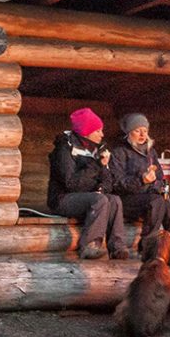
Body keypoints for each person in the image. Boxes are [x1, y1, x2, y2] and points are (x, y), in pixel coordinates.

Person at [47, 107, 127, 259]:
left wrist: (101, 187)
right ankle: (90, 245)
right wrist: (97, 165)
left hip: (88, 197)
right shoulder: (65, 149)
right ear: (86, 131)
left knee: (114, 200)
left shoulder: (97, 150)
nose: (102, 135)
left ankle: (117, 247)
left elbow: (108, 181)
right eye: (98, 131)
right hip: (62, 199)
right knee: (100, 200)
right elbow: (70, 183)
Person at [110, 113, 170, 259]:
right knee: (156, 201)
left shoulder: (150, 153)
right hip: (126, 201)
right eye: (137, 130)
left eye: (145, 131)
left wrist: (154, 184)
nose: (142, 134)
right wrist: (141, 181)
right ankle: (147, 245)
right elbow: (117, 183)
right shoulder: (119, 153)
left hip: (148, 198)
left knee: (169, 206)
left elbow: (160, 179)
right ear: (129, 133)